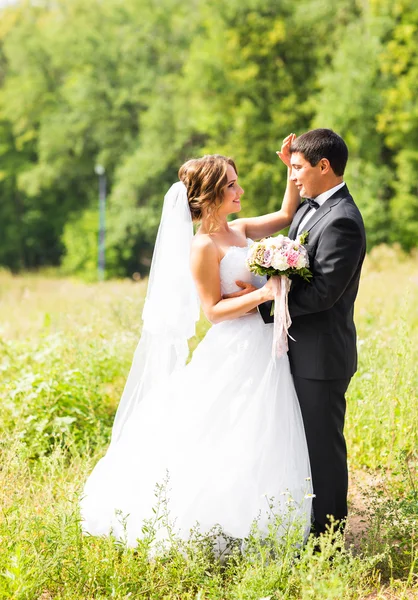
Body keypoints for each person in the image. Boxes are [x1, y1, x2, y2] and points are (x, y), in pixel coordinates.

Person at [80, 137, 313, 552]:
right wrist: (264, 294)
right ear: (209, 195)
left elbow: (285, 213)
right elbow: (213, 311)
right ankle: (212, 517)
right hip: (234, 346)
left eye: (238, 184)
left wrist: (289, 172)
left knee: (263, 426)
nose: (240, 192)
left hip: (265, 342)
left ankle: (262, 515)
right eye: (232, 186)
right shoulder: (202, 246)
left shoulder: (239, 230)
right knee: (225, 426)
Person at [258, 128, 366, 537]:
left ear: (324, 166)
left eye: (299, 168)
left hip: (322, 357)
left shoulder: (343, 221)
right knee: (300, 445)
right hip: (299, 350)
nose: (294, 175)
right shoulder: (310, 207)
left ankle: (329, 542)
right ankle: (303, 526)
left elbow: (322, 293)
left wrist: (264, 305)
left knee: (322, 451)